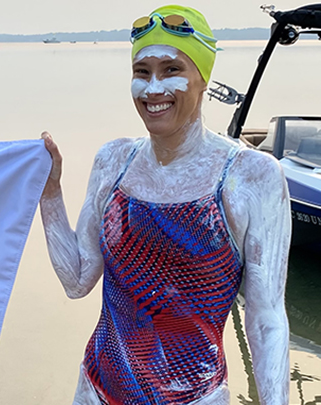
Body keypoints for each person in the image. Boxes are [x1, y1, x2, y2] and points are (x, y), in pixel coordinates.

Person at [40, 5, 290, 405]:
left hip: (196, 397)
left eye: (171, 70)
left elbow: (265, 320)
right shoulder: (113, 161)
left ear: (202, 78)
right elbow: (77, 281)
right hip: (96, 391)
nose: (153, 89)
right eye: (142, 73)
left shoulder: (249, 175)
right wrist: (50, 193)